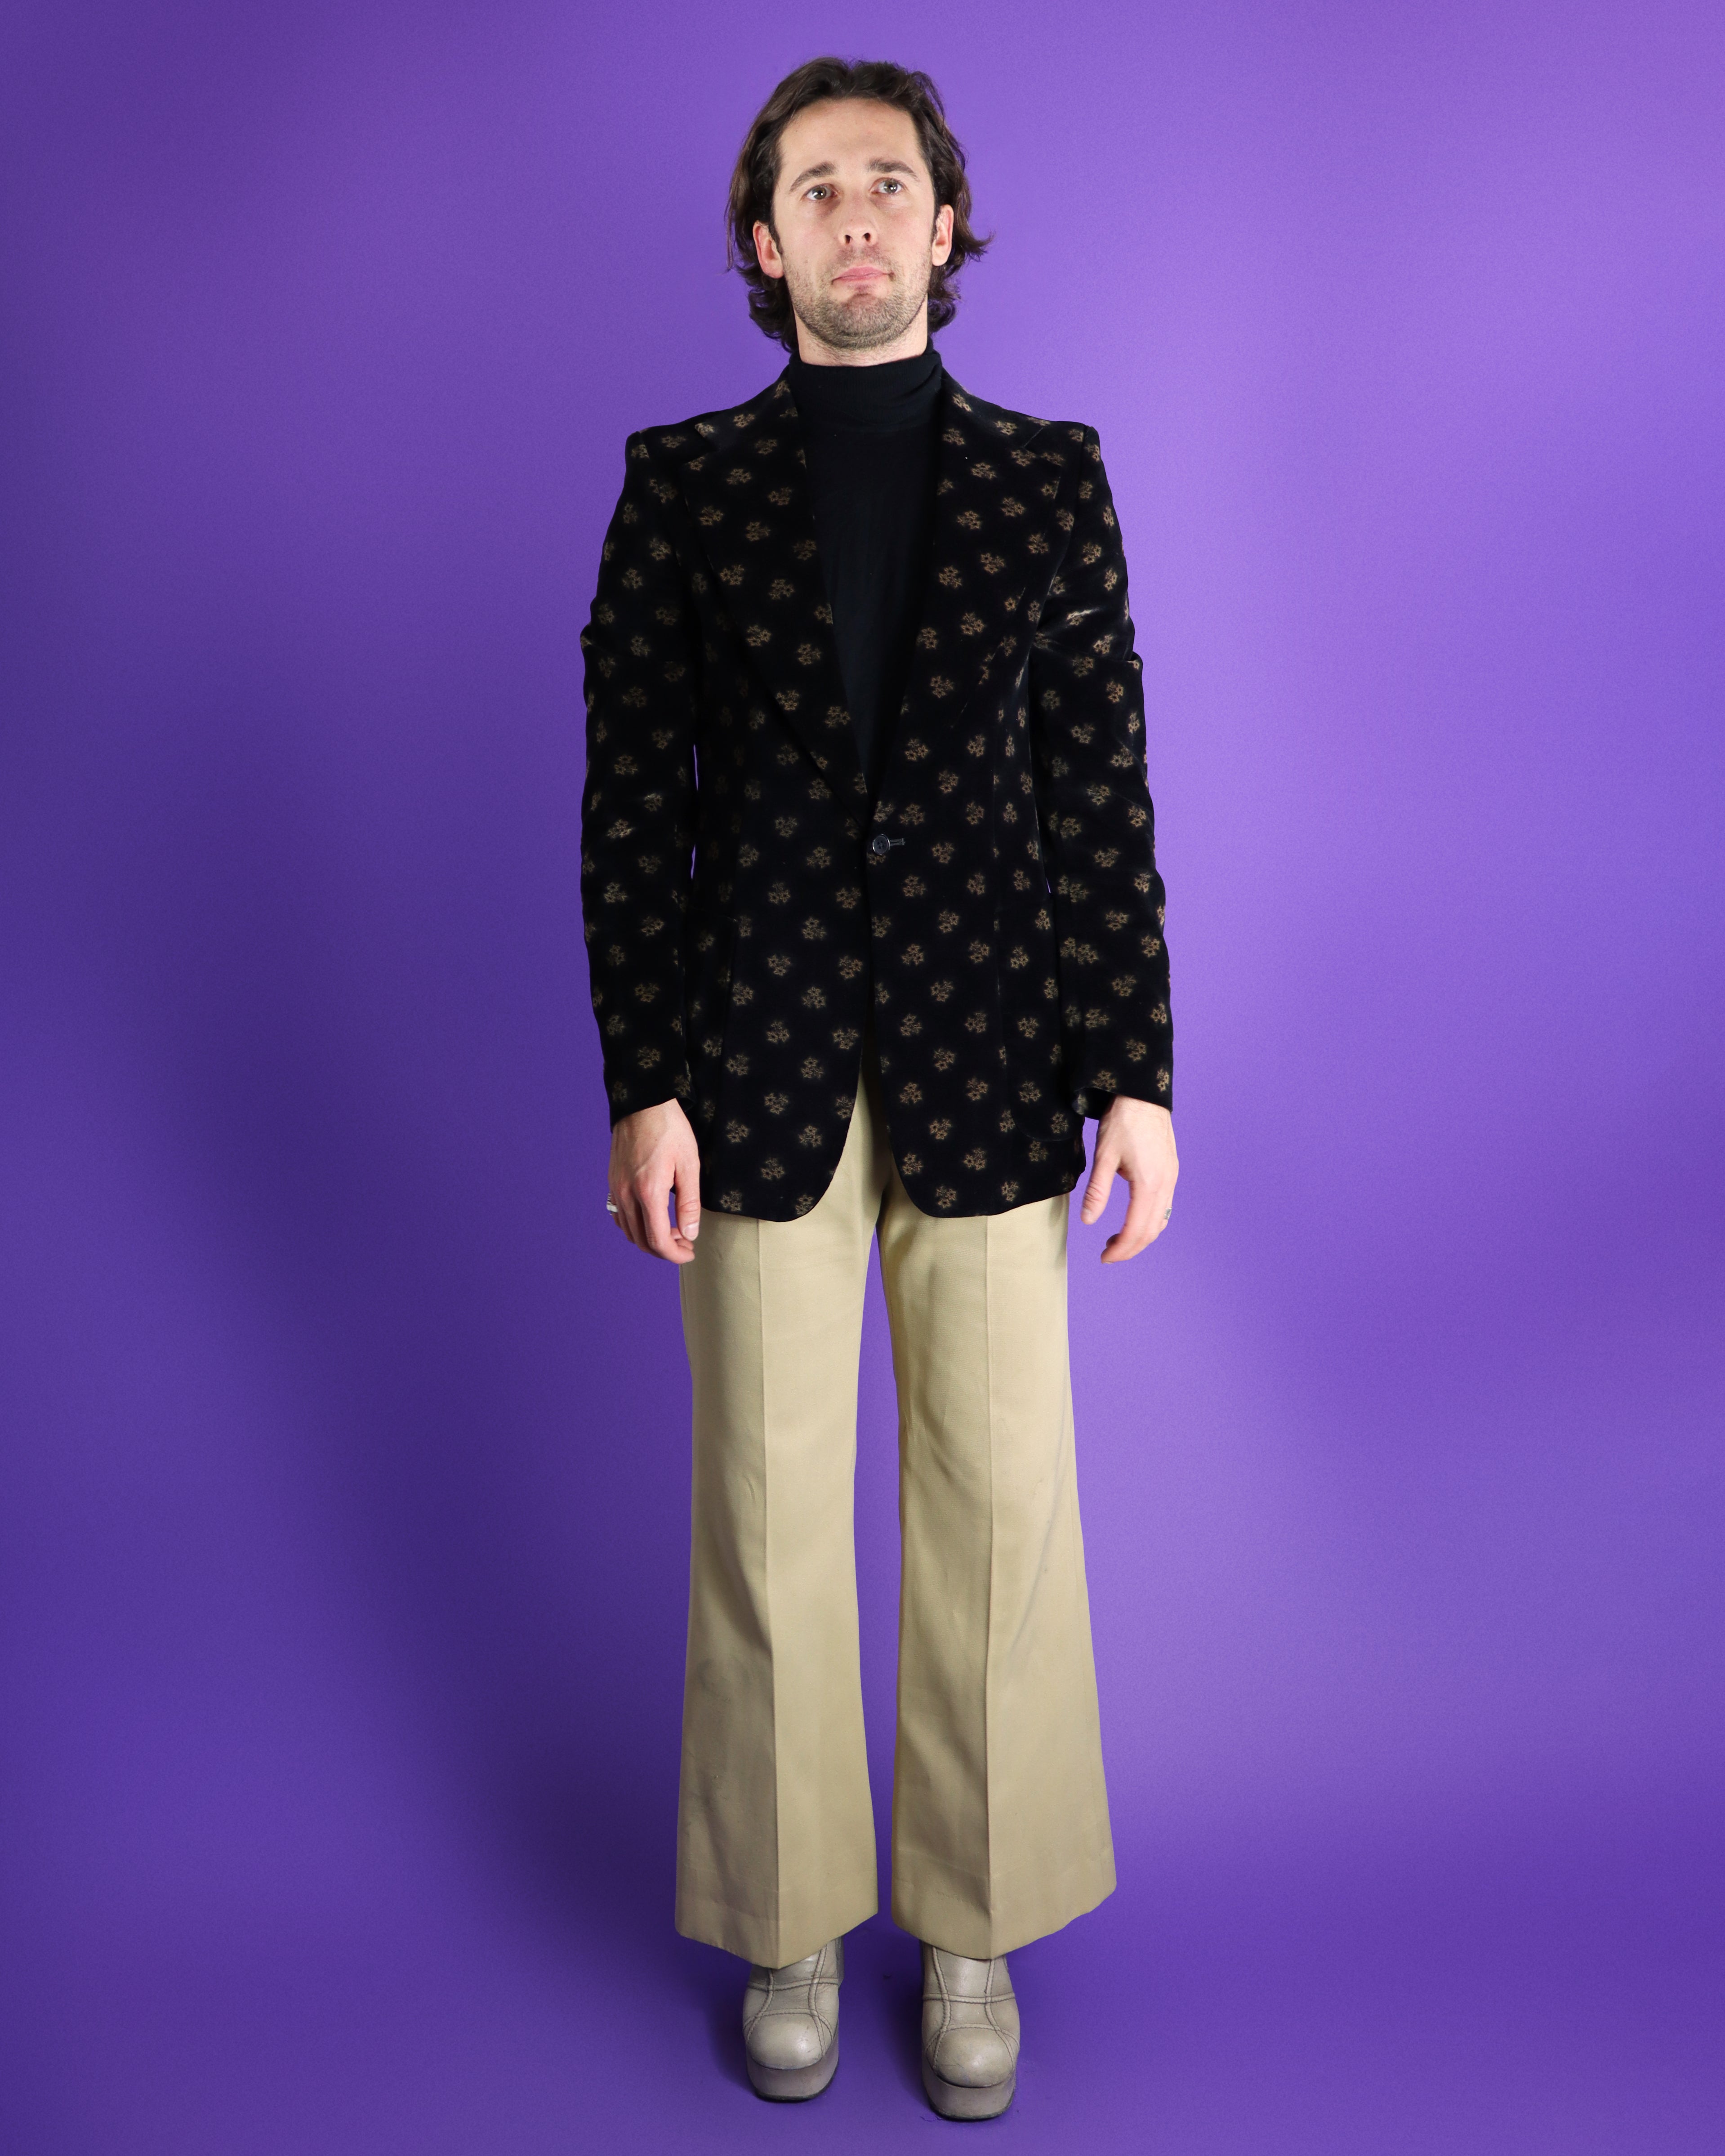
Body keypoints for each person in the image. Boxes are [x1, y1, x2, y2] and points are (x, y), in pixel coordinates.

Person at [579, 55, 1177, 2120]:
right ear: (767, 242)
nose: (858, 213)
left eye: (889, 181)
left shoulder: (1050, 480)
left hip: (995, 1056)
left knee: (998, 1511)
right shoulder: (682, 484)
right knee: (763, 1513)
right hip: (748, 1068)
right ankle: (787, 1922)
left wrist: (1137, 1075)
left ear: (945, 226)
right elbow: (629, 806)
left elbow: (1101, 787)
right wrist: (643, 1081)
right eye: (818, 186)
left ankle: (977, 1924)